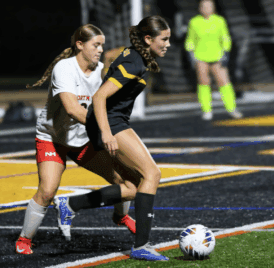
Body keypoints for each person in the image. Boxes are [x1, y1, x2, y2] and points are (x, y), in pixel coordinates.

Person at [54, 15, 171, 261]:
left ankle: (71, 205)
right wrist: (107, 133)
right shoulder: (135, 62)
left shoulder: (136, 55)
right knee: (152, 175)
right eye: (165, 39)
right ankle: (141, 246)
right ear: (148, 39)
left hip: (108, 123)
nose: (168, 44)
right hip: (110, 124)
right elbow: (99, 97)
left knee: (132, 187)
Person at [15, 24, 136, 255]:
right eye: (95, 45)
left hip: (82, 140)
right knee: (48, 191)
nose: (100, 50)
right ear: (80, 45)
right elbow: (72, 109)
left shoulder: (101, 72)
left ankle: (121, 217)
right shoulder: (65, 68)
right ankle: (24, 239)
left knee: (125, 179)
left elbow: (113, 63)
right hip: (53, 139)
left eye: (102, 45)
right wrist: (106, 131)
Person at [185, 0, 243, 121]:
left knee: (224, 82)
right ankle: (207, 110)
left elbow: (225, 37)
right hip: (200, 57)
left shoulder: (219, 21)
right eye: (203, 6)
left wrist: (226, 52)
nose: (206, 9)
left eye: (209, 6)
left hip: (217, 56)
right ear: (200, 8)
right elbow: (190, 40)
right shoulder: (194, 22)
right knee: (203, 82)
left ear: (213, 8)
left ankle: (232, 108)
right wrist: (191, 54)